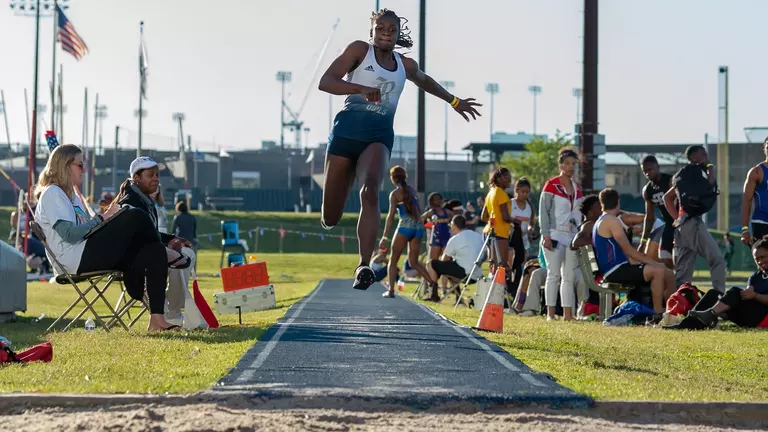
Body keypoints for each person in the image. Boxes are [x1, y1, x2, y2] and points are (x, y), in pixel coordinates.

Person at [318, 9, 481, 291]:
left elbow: (425, 80)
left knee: (369, 191)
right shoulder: (359, 50)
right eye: (380, 28)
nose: (385, 33)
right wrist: (359, 88)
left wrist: (454, 101)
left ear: (397, 34)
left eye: (391, 29)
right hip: (346, 135)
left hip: (378, 136)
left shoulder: (404, 65)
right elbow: (326, 81)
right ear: (372, 31)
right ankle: (337, 213)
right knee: (330, 218)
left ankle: (363, 265)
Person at [33, 145, 176, 331]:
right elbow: (69, 234)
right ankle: (139, 274)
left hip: (84, 250)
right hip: (72, 258)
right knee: (135, 216)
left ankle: (157, 319)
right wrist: (104, 217)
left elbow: (86, 228)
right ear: (65, 166)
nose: (84, 170)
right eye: (80, 164)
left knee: (154, 251)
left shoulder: (71, 196)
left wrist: (105, 220)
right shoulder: (53, 193)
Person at [117, 157, 197, 327]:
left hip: (152, 255)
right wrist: (165, 245)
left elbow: (151, 233)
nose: (156, 178)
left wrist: (173, 239)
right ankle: (167, 311)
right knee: (169, 255)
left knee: (188, 252)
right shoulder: (129, 202)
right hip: (137, 265)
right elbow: (137, 239)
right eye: (150, 175)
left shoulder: (147, 201)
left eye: (157, 174)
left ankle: (173, 311)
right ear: (136, 178)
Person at [594, 189, 675, 315]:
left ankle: (671, 311)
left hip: (617, 268)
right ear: (618, 202)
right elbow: (628, 250)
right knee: (658, 270)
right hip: (614, 271)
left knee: (668, 273)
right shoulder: (611, 221)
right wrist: (652, 262)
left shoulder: (603, 220)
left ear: (601, 203)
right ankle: (658, 314)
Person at [663, 145, 726, 292]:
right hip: (692, 221)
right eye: (702, 154)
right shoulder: (697, 172)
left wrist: (676, 220)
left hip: (682, 225)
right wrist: (710, 166)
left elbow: (667, 198)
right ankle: (719, 296)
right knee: (717, 260)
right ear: (693, 158)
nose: (706, 156)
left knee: (683, 272)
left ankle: (678, 304)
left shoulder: (683, 176)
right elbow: (711, 183)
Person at [671, 237, 768, 330]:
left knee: (734, 291)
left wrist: (755, 296)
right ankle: (687, 324)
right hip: (749, 314)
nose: (760, 261)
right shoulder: (756, 276)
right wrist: (747, 292)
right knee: (714, 294)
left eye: (763, 257)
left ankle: (711, 314)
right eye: (757, 259)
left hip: (763, 318)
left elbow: (752, 296)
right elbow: (747, 293)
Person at [539, 148, 583, 321]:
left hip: (572, 237)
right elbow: (544, 212)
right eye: (567, 164)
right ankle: (550, 314)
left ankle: (568, 315)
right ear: (561, 165)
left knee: (569, 276)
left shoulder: (577, 188)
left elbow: (579, 214)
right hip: (554, 235)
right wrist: (546, 236)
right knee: (553, 274)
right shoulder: (551, 185)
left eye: (574, 164)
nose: (571, 167)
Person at [379, 166, 435, 299]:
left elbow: (391, 216)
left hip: (405, 226)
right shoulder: (412, 190)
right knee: (414, 262)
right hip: (418, 228)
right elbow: (419, 211)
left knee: (393, 260)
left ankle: (391, 290)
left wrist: (384, 237)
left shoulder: (395, 194)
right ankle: (433, 285)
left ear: (393, 178)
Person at [639, 155, 675, 268]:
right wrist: (643, 241)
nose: (648, 173)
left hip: (681, 222)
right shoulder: (647, 190)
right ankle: (674, 284)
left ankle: (684, 284)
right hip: (668, 225)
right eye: (645, 171)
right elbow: (649, 217)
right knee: (665, 258)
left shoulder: (670, 181)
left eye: (650, 169)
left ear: (658, 167)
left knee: (680, 257)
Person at [429, 214, 483, 285]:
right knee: (452, 265)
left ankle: (433, 292)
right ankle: (457, 295)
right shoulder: (478, 236)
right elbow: (485, 254)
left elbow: (444, 259)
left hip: (464, 274)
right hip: (477, 275)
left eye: (451, 225)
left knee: (431, 263)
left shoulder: (455, 239)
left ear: (454, 226)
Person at [481, 168, 514, 275]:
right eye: (506, 177)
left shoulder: (490, 193)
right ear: (498, 178)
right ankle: (497, 289)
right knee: (502, 265)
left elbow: (483, 216)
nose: (509, 180)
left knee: (494, 264)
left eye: (510, 177)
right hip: (500, 233)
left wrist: (493, 221)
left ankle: (494, 287)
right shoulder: (501, 194)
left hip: (488, 232)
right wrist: (515, 221)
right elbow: (505, 217)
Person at [508, 177, 536, 296]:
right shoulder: (511, 203)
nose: (524, 194)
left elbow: (530, 223)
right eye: (522, 192)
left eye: (527, 192)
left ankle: (519, 292)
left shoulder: (529, 207)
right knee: (510, 266)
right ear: (517, 191)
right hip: (511, 240)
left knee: (521, 266)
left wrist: (530, 230)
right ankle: (508, 289)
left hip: (524, 241)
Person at [740, 137, 768, 246]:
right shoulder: (757, 172)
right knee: (764, 260)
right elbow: (747, 201)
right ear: (764, 149)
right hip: (762, 223)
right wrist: (745, 229)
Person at [422, 192, 454, 287]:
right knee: (432, 263)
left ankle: (445, 287)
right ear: (431, 201)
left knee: (446, 263)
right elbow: (421, 219)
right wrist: (428, 225)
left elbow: (455, 217)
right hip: (435, 239)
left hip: (446, 238)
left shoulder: (446, 212)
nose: (437, 201)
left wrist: (450, 224)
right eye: (435, 199)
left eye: (439, 199)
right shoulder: (432, 212)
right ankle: (431, 286)